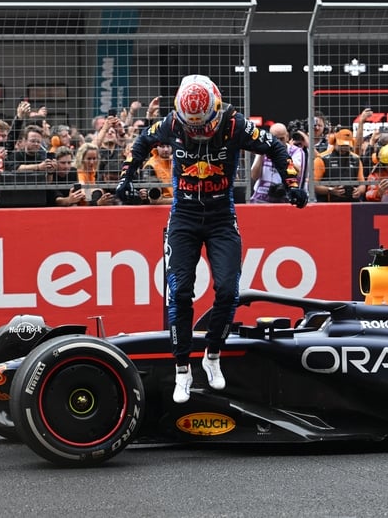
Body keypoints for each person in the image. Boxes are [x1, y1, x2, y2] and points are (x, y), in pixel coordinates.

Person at [115, 74, 307, 403]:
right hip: (184, 218)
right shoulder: (173, 123)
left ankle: (213, 355)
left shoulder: (235, 124)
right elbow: (142, 142)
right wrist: (126, 178)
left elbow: (276, 147)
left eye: (203, 126)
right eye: (191, 128)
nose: (197, 132)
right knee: (181, 292)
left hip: (221, 218)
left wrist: (292, 185)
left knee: (229, 290)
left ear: (216, 110)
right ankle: (182, 369)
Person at [249, 123, 303, 204]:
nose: (278, 142)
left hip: (286, 197)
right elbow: (254, 176)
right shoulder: (262, 149)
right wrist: (261, 155)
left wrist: (282, 155)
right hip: (262, 197)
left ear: (287, 136)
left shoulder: (295, 151)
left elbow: (298, 172)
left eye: (281, 139)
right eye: (275, 139)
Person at [313, 128, 364, 202]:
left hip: (352, 204)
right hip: (328, 204)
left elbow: (362, 183)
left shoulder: (356, 159)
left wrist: (359, 191)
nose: (344, 148)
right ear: (334, 141)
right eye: (341, 145)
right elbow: (313, 185)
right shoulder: (321, 159)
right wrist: (330, 190)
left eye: (346, 146)